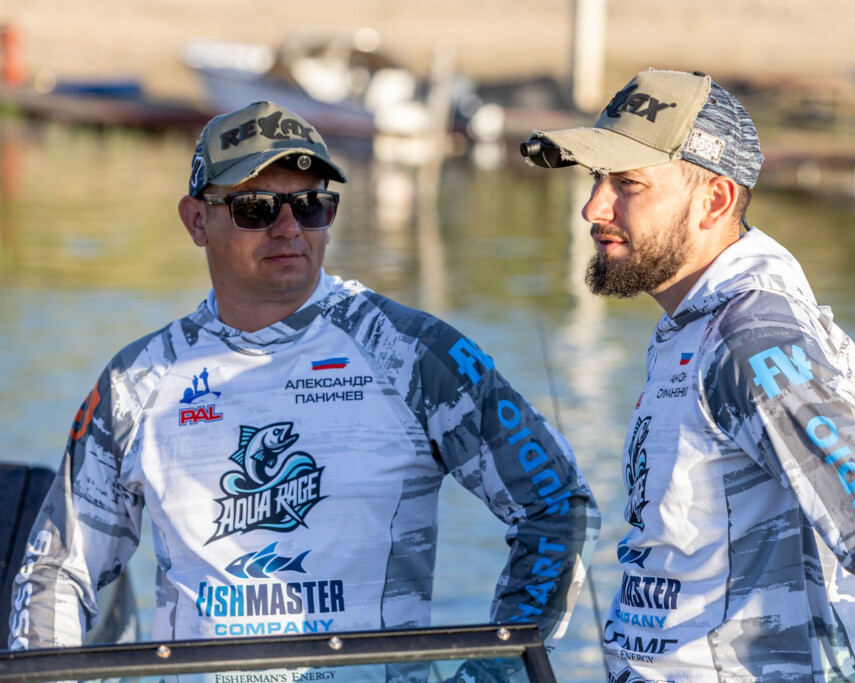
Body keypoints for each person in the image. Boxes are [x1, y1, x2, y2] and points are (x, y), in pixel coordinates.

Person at [8, 101, 601, 664]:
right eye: (256, 208)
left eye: (312, 205)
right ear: (196, 220)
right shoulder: (136, 381)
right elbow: (55, 570)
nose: (289, 227)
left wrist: (496, 668)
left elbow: (557, 507)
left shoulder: (416, 354)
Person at [521, 69, 855, 682]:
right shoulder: (697, 322)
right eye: (597, 180)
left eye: (627, 184)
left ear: (715, 200)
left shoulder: (750, 338)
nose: (593, 208)